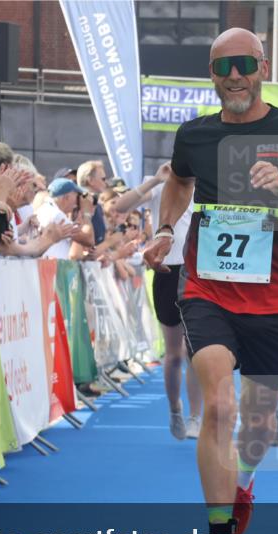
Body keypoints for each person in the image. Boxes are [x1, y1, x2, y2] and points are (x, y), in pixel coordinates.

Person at [144, 28, 278, 534]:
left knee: (258, 422)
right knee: (220, 406)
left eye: (244, 65)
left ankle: (244, 483)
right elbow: (178, 183)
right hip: (208, 289)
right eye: (223, 66)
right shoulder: (194, 134)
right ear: (211, 73)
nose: (234, 76)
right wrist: (164, 229)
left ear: (262, 68)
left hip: (275, 295)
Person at [116, 162, 203, 440]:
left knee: (195, 351)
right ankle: (175, 407)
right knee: (174, 353)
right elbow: (120, 206)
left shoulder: (206, 185)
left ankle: (196, 417)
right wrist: (155, 180)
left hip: (197, 273)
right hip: (166, 271)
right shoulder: (163, 183)